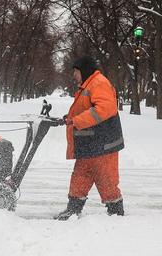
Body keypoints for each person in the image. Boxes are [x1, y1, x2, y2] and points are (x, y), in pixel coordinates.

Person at [55, 56, 125, 220]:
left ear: (84, 70)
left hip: (104, 143)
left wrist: (76, 120)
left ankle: (116, 213)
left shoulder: (99, 83)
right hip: (90, 144)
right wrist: (70, 118)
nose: (74, 75)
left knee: (106, 179)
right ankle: (73, 209)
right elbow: (87, 108)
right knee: (80, 176)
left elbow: (104, 109)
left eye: (76, 72)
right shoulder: (88, 85)